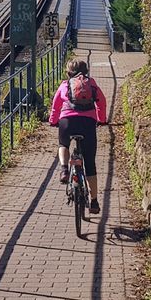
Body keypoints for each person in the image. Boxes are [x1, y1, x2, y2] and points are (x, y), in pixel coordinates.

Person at [48, 59, 108, 214]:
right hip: (87, 124)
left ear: (68, 73)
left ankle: (64, 169)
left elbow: (56, 106)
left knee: (63, 144)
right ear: (86, 71)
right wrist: (101, 119)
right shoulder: (92, 84)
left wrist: (53, 121)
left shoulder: (64, 85)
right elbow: (102, 102)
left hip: (67, 122)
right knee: (90, 164)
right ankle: (94, 202)